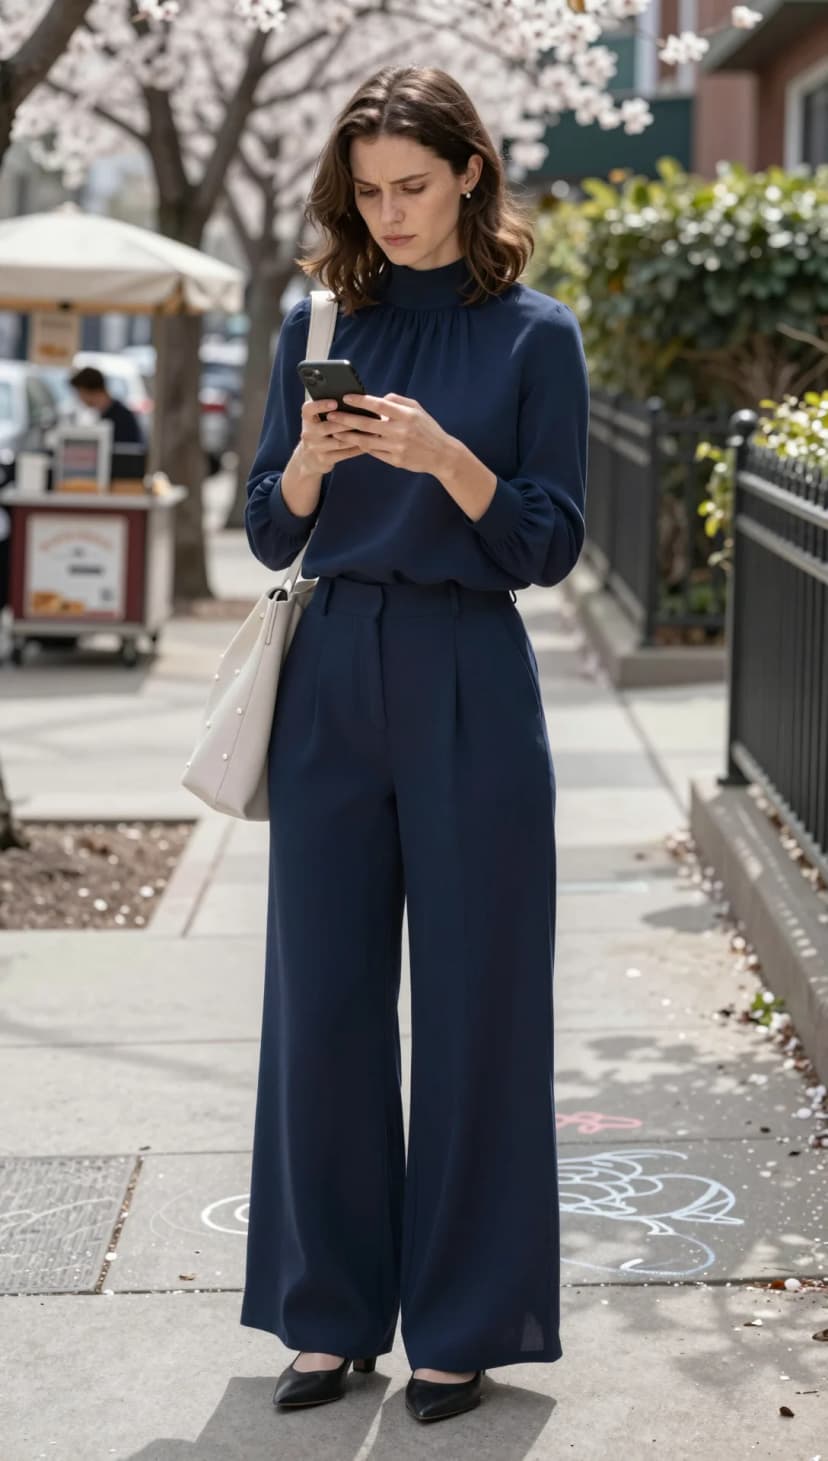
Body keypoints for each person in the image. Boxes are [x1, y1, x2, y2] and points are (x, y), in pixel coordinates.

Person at [240, 65, 589, 1426]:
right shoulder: (317, 319)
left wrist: (449, 459)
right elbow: (270, 528)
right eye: (369, 190)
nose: (390, 214)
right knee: (319, 1004)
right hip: (332, 672)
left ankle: (463, 1323)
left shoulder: (533, 334)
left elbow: (548, 544)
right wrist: (317, 467)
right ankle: (326, 1317)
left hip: (470, 674)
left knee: (475, 1008)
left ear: (469, 177)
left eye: (415, 187)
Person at [68, 366, 145, 446]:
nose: (80, 398)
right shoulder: (107, 413)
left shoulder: (121, 418)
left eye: (80, 392)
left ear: (90, 391)